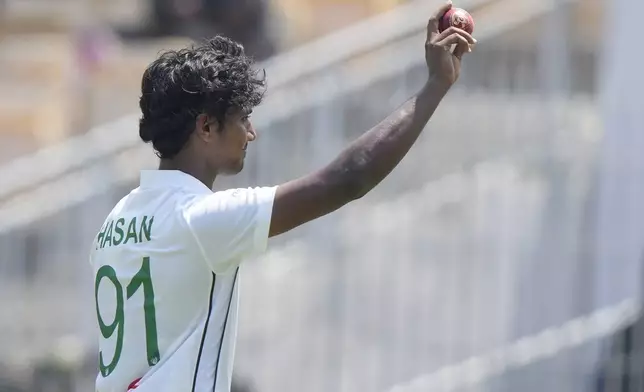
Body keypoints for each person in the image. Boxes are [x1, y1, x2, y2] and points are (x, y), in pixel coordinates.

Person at [89, 1, 476, 391]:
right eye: (242, 118)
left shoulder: (116, 219)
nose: (251, 133)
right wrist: (433, 88)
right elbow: (346, 180)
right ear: (206, 127)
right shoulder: (199, 218)